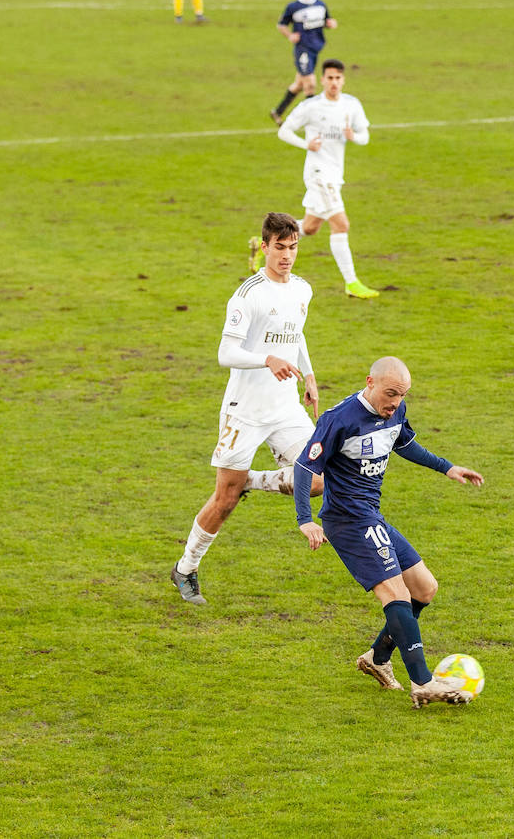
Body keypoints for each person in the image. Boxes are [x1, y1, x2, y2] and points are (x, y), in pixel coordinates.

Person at [293, 357, 485, 709]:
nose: (395, 401)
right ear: (370, 382)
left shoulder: (395, 412)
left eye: (402, 395)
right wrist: (305, 519)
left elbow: (404, 443)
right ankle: (423, 682)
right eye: (391, 393)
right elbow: (305, 464)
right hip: (347, 520)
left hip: (371, 517)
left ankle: (377, 658)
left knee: (425, 588)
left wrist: (447, 468)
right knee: (395, 592)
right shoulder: (339, 419)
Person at [170, 212, 324, 606]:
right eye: (279, 248)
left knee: (321, 478)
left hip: (286, 408)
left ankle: (250, 481)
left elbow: (296, 331)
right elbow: (226, 353)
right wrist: (267, 359)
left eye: (293, 248)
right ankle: (186, 568)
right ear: (265, 245)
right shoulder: (247, 295)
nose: (287, 256)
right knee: (224, 501)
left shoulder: (302, 289)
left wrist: (307, 373)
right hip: (245, 411)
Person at [276, 59, 377, 300]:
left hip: (335, 174)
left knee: (309, 228)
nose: (334, 82)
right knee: (341, 225)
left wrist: (354, 136)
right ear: (322, 80)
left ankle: (267, 241)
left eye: (338, 78)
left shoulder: (352, 105)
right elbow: (284, 131)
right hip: (318, 174)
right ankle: (351, 283)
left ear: (343, 80)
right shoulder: (311, 106)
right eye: (329, 78)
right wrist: (306, 144)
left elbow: (365, 136)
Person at [270, 0, 337, 125]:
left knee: (299, 84)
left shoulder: (321, 5)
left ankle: (277, 112)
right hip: (302, 49)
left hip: (316, 48)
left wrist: (331, 24)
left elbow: (327, 20)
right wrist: (289, 35)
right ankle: (313, 119)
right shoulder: (293, 7)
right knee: (311, 83)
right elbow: (281, 25)